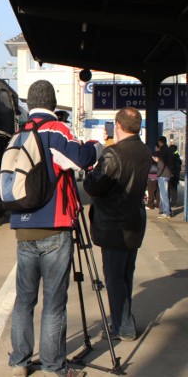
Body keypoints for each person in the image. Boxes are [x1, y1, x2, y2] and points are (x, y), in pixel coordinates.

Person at [7, 80, 101, 377]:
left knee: (24, 300)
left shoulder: (17, 135)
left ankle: (19, 363)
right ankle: (53, 367)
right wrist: (96, 144)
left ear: (30, 102)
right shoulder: (56, 130)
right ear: (52, 102)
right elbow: (82, 159)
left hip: (23, 229)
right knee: (54, 304)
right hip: (55, 229)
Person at [83, 107, 151, 342]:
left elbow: (93, 186)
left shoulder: (113, 154)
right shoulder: (144, 151)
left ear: (118, 126)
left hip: (113, 228)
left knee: (113, 279)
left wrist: (89, 170)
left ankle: (122, 327)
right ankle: (126, 321)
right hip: (134, 224)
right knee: (125, 276)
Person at [153, 136, 173, 219]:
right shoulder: (167, 150)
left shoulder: (162, 151)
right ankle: (167, 211)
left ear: (160, 142)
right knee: (164, 194)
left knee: (163, 194)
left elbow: (161, 163)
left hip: (163, 175)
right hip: (167, 174)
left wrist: (158, 173)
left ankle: (166, 212)